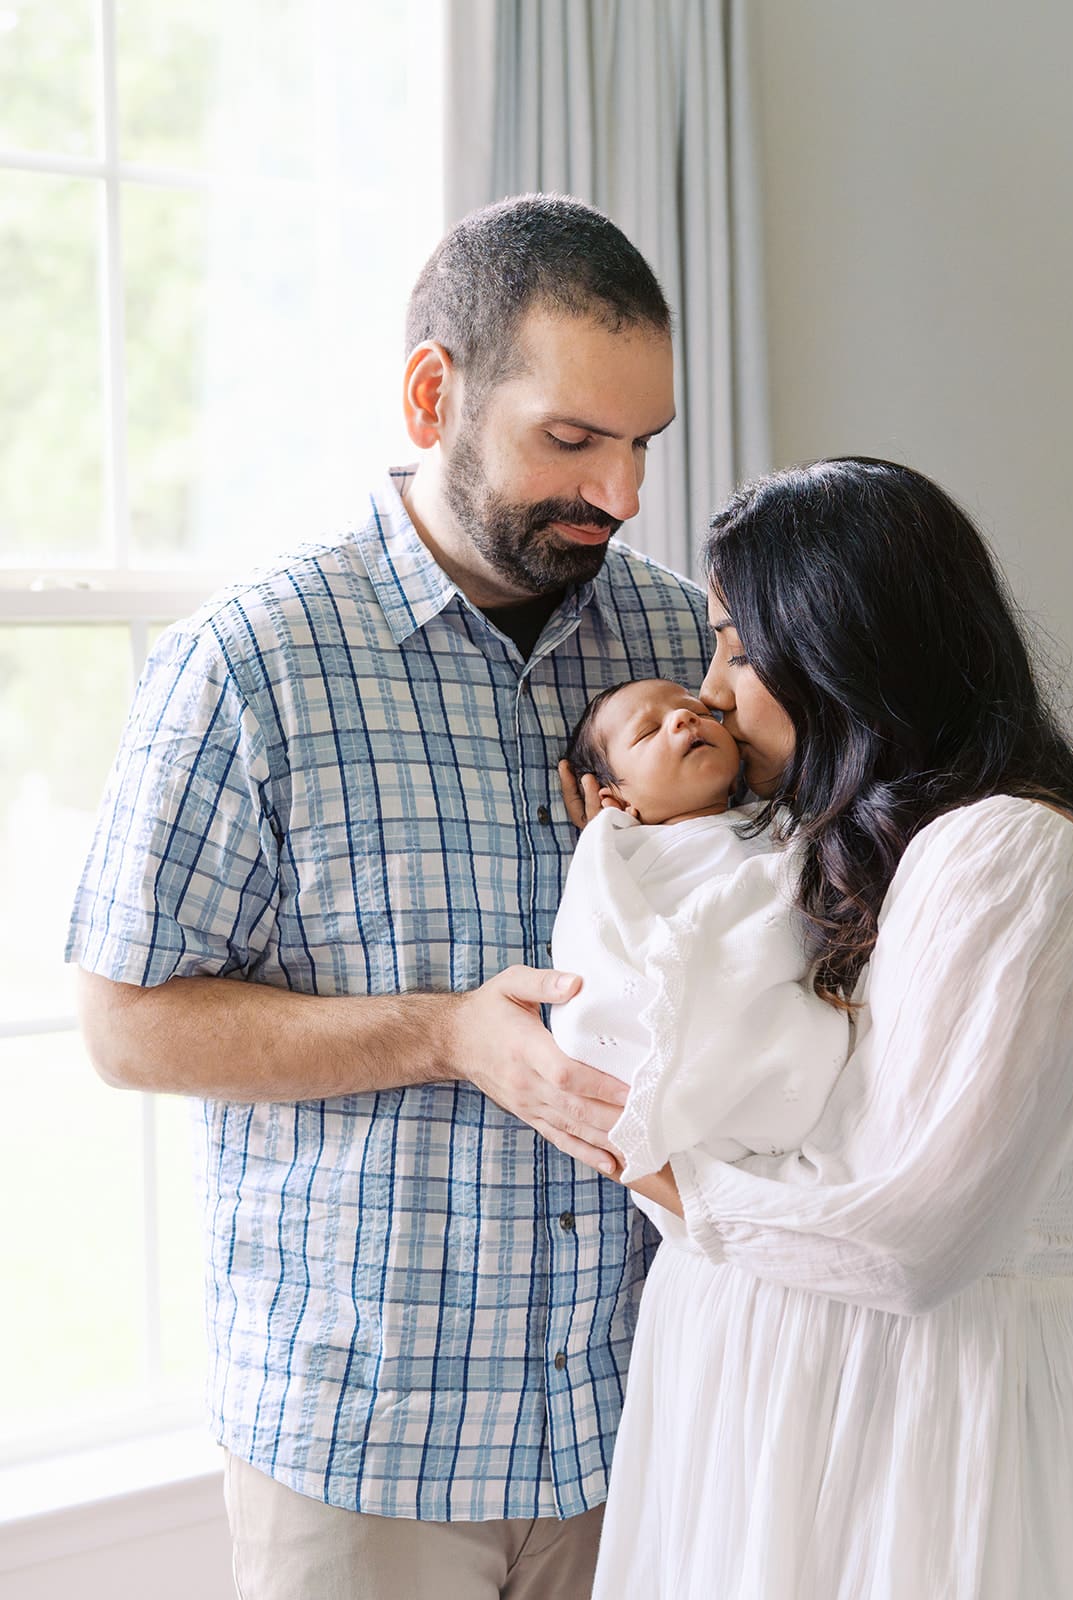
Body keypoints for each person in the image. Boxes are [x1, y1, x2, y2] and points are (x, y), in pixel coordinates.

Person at [66, 195, 714, 1600]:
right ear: (436, 394)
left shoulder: (687, 639)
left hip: (654, 1422)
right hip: (371, 1457)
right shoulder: (250, 668)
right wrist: (442, 1034)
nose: (621, 494)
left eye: (640, 444)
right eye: (572, 440)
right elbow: (127, 1028)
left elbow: (825, 876)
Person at [566, 459, 1073, 1600]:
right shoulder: (850, 862)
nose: (711, 691)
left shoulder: (1005, 854)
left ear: (844, 646)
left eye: (737, 647)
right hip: (787, 1416)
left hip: (911, 1425)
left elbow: (911, 1240)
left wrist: (671, 1179)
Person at [550, 677, 849, 1183]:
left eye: (698, 712)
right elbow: (598, 945)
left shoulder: (779, 822)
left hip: (784, 1013)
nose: (685, 719)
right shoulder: (621, 857)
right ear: (616, 800)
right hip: (694, 1034)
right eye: (648, 732)